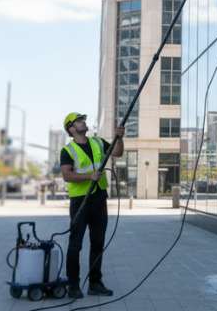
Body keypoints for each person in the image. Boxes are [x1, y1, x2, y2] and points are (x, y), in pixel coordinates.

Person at [60, 112, 124, 299]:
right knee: (75, 244)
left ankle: (95, 283)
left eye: (83, 120)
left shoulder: (97, 142)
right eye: (79, 120)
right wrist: (89, 176)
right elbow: (67, 175)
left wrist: (119, 138)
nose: (83, 122)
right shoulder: (68, 150)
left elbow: (117, 152)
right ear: (71, 128)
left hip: (99, 200)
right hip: (80, 201)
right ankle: (73, 285)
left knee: (97, 243)